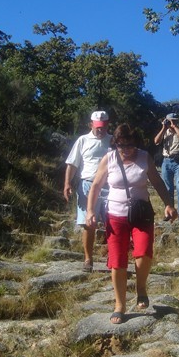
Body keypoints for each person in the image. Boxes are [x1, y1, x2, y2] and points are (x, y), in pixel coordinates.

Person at [87, 124, 177, 324]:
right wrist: (91, 211)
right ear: (115, 144)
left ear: (136, 143)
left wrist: (169, 204)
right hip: (115, 216)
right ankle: (120, 305)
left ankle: (141, 288)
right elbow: (95, 185)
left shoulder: (145, 157)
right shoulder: (108, 159)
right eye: (121, 145)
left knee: (144, 252)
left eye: (130, 145)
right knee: (117, 260)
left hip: (141, 213)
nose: (126, 149)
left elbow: (157, 182)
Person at [63, 111, 112, 272]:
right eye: (98, 127)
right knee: (88, 224)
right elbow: (72, 163)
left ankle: (113, 258)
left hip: (109, 186)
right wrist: (67, 183)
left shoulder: (113, 141)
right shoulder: (83, 140)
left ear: (107, 125)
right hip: (87, 184)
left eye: (103, 127)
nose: (100, 130)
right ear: (91, 125)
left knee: (112, 223)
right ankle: (88, 259)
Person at [153, 113, 179, 221]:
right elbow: (156, 141)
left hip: (178, 161)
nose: (172, 122)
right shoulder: (164, 132)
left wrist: (174, 126)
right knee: (168, 188)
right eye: (170, 121)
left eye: (175, 120)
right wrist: (164, 127)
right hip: (166, 161)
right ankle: (170, 212)